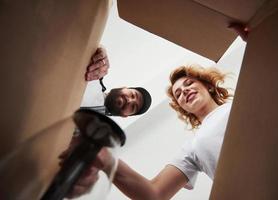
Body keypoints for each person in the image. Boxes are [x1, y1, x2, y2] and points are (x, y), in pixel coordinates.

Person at [65, 64, 233, 199]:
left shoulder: (238, 104)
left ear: (209, 87)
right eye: (179, 94)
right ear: (184, 108)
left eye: (188, 84)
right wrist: (105, 156)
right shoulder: (192, 148)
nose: (184, 91)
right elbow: (154, 195)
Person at [83, 47, 152, 117]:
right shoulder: (95, 75)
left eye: (133, 107)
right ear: (123, 87)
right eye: (132, 95)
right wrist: (100, 51)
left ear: (125, 116)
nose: (129, 101)